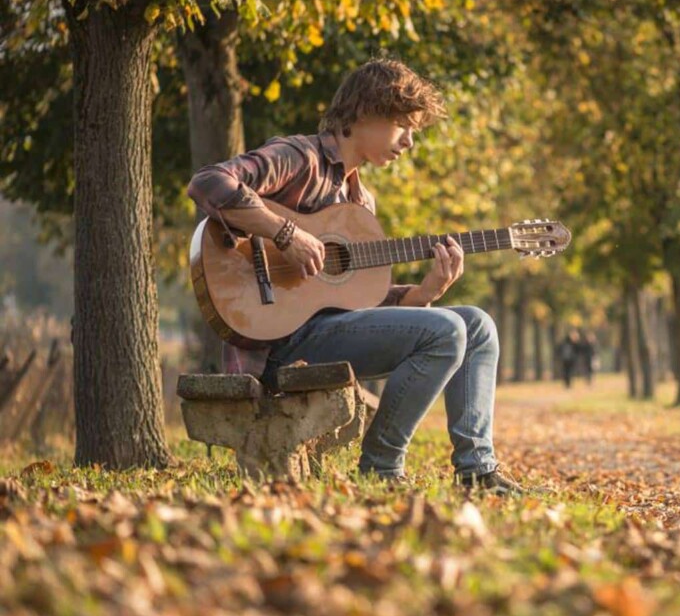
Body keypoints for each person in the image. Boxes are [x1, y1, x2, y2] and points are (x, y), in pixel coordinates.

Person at [186, 57, 534, 496]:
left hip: (328, 332)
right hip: (276, 339)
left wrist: (426, 292)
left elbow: (357, 304)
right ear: (365, 113)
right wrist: (286, 232)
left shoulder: (360, 202)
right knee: (446, 330)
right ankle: (381, 467)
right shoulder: (300, 158)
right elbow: (208, 181)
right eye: (403, 126)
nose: (409, 142)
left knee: (477, 325)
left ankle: (476, 469)